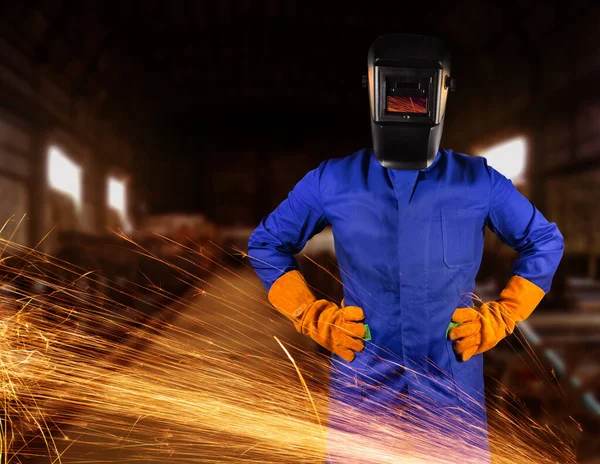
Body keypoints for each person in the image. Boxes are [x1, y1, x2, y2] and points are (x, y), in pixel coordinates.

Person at [247, 34, 564, 461]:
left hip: (450, 388)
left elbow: (544, 240)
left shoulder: (478, 180)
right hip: (363, 386)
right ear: (374, 88)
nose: (408, 104)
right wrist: (311, 315)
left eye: (419, 93)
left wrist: (502, 316)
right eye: (397, 91)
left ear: (442, 91)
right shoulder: (333, 180)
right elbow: (266, 244)